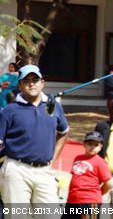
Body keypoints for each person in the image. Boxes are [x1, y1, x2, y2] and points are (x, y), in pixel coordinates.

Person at [0, 64, 69, 206]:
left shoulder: (53, 106)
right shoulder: (9, 110)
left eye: (35, 79)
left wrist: (53, 159)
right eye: (26, 80)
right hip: (16, 170)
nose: (31, 83)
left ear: (42, 83)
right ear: (20, 85)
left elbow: (64, 132)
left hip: (45, 171)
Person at [63, 131, 112, 219]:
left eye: (96, 145)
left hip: (90, 201)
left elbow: (108, 183)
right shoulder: (77, 158)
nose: (92, 147)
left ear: (100, 147)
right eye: (90, 144)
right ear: (84, 144)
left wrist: (97, 194)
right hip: (72, 200)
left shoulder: (100, 162)